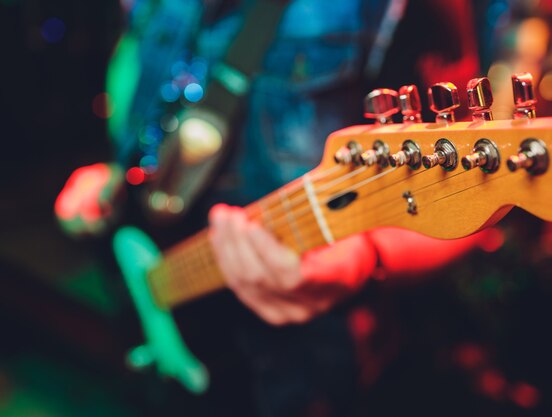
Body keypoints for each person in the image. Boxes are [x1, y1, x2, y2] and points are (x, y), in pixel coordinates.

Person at [56, 0, 488, 415]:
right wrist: (114, 171)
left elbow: (473, 197)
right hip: (154, 284)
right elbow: (136, 68)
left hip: (291, 373)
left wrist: (365, 257)